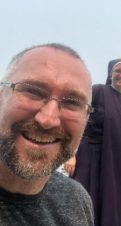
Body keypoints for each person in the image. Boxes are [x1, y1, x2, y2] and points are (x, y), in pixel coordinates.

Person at [0, 43, 94, 225]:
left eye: (72, 102)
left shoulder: (76, 199)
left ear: (87, 118)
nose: (48, 119)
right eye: (32, 91)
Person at [64, 59, 121, 226]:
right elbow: (74, 117)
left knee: (111, 203)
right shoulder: (98, 91)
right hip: (90, 157)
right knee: (85, 200)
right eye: (118, 71)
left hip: (115, 164)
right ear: (110, 74)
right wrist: (71, 154)